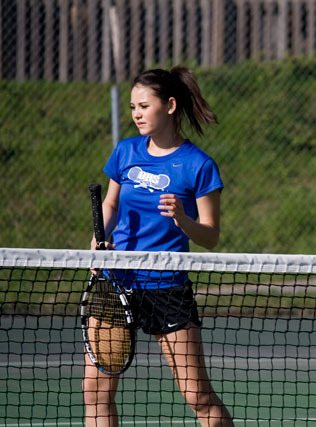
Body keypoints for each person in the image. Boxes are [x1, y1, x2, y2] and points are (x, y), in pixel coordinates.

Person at [84, 66, 234, 427]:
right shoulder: (125, 152)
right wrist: (95, 240)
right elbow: (111, 204)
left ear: (169, 105)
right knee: (96, 391)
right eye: (132, 106)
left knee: (197, 396)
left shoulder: (198, 165)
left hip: (165, 287)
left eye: (143, 105)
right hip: (115, 283)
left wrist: (183, 220)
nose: (136, 113)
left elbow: (211, 236)